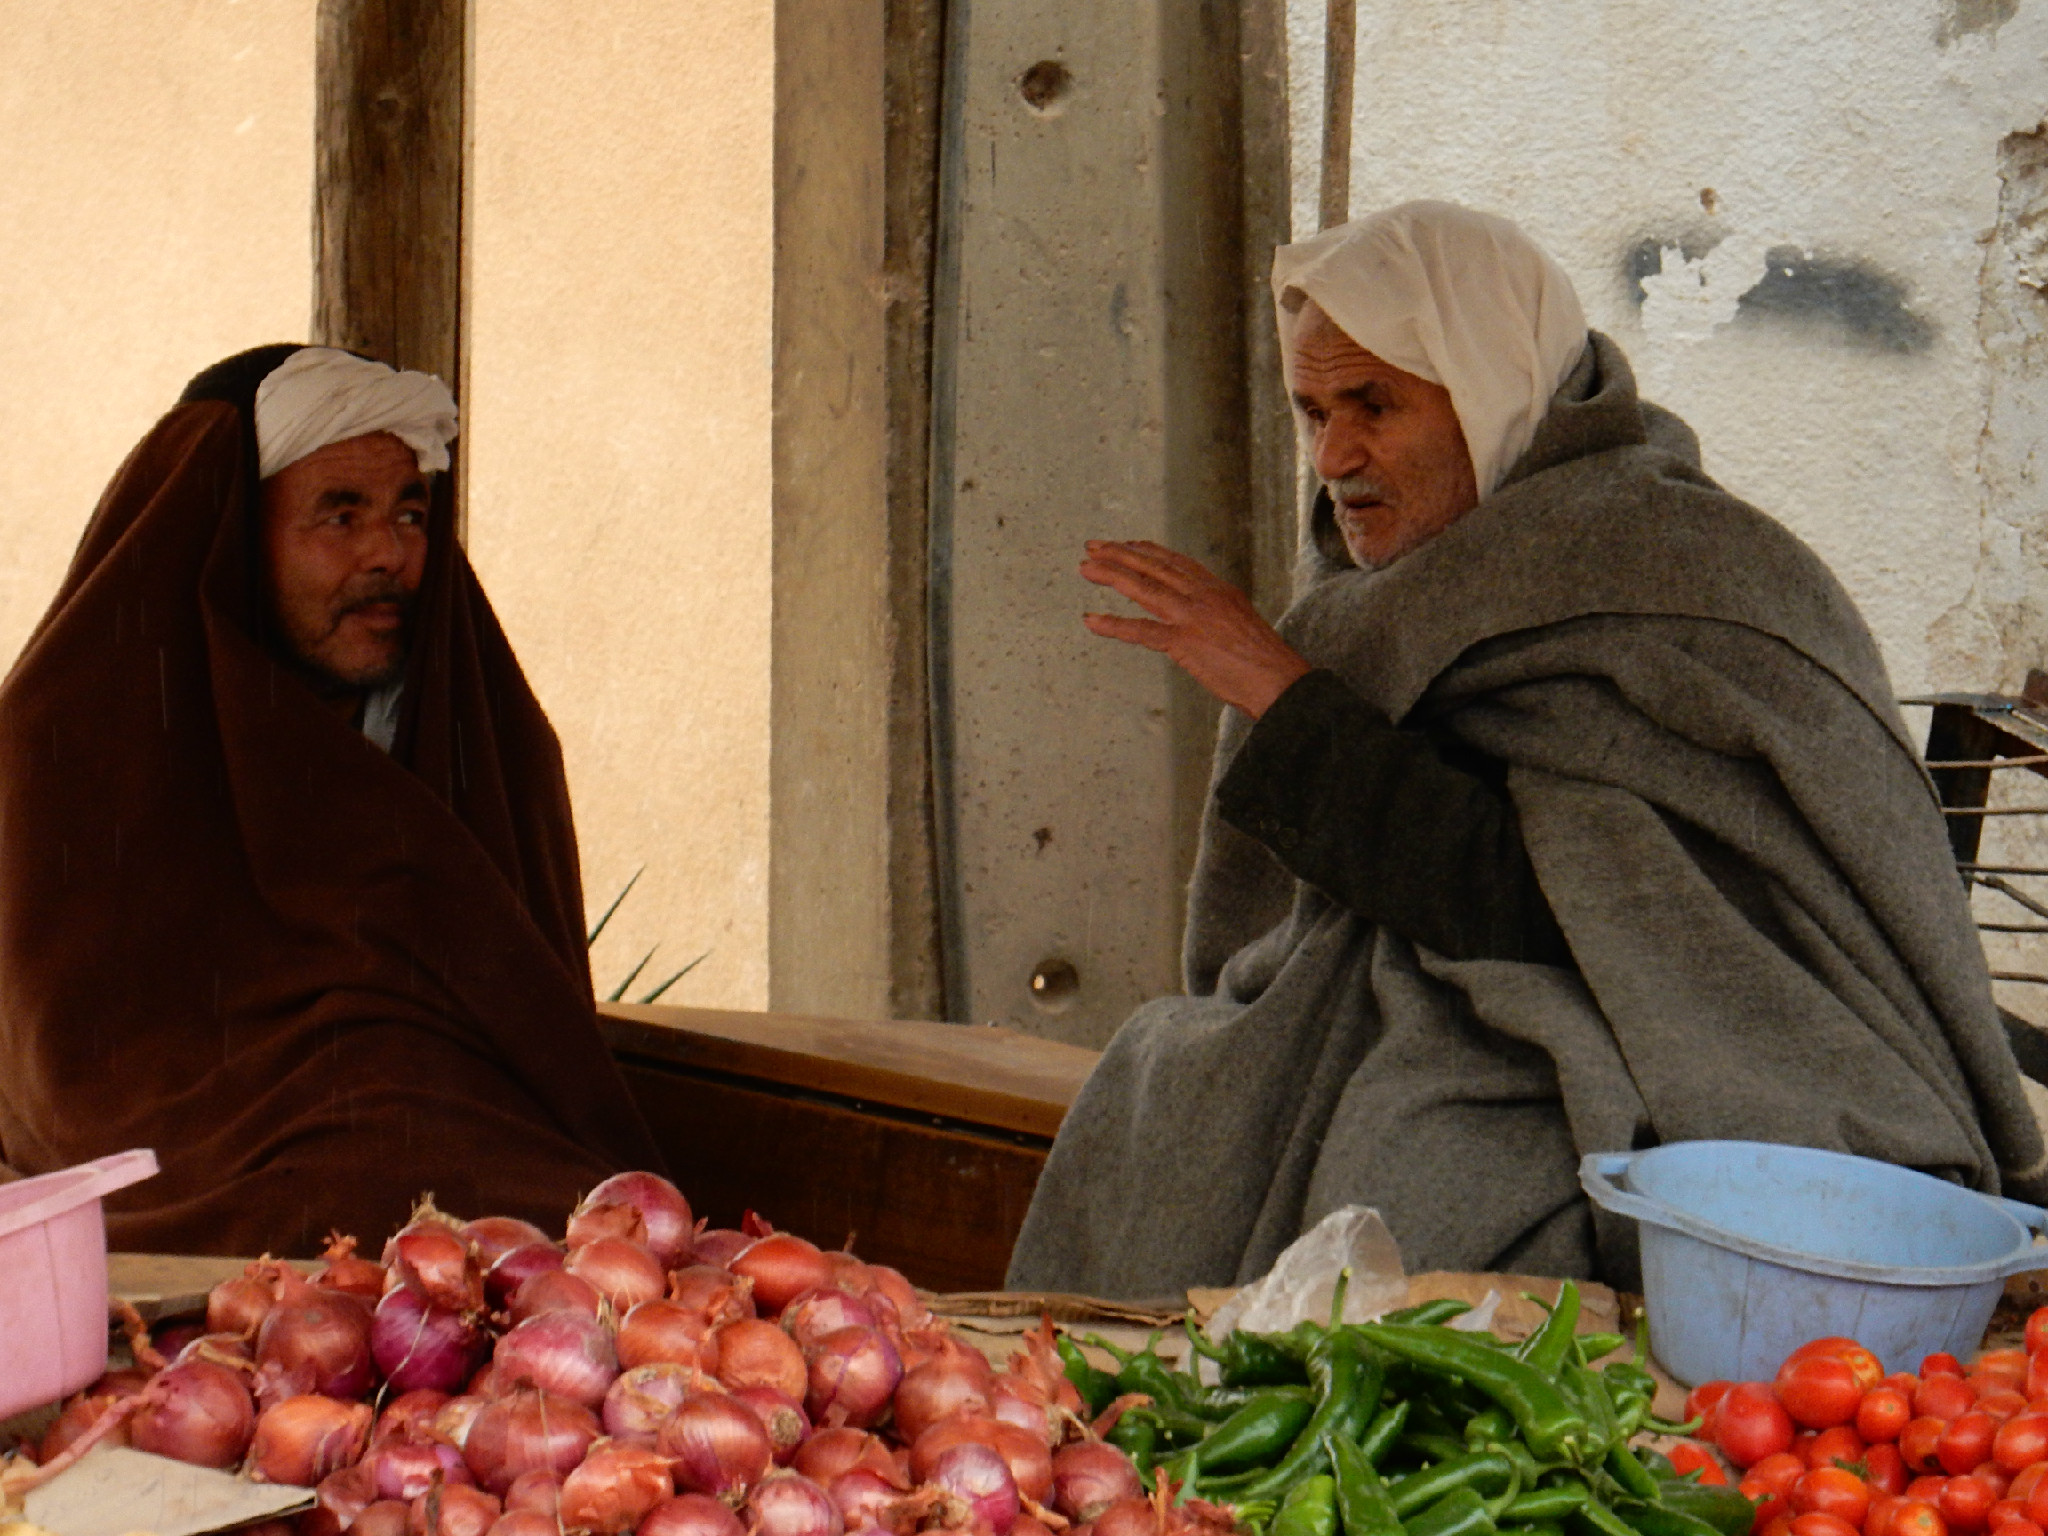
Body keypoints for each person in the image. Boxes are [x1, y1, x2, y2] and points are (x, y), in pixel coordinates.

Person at [1005, 201, 2048, 1298]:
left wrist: (1278, 690)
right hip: (1435, 1003)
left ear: (1496, 386)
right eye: (1311, 410)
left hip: (1701, 1052)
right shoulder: (1393, 579)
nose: (1332, 456)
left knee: (1426, 1161)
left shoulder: (1684, 573)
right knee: (1163, 1078)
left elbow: (1564, 910)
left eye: (1373, 403)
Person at [0, 345, 662, 1254]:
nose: (389, 554)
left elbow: (528, 1031)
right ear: (230, 531)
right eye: (338, 516)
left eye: (409, 513)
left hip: (454, 1145)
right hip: (209, 1169)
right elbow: (77, 1076)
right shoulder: (74, 736)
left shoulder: (466, 727)